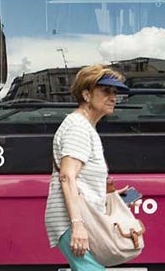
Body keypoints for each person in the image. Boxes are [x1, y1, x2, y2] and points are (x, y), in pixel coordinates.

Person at [44, 65, 132, 271]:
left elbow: (78, 177)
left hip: (82, 218)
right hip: (73, 221)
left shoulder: (85, 126)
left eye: (115, 92)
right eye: (106, 91)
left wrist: (103, 194)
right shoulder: (78, 127)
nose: (113, 97)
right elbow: (67, 176)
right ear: (86, 94)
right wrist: (77, 225)